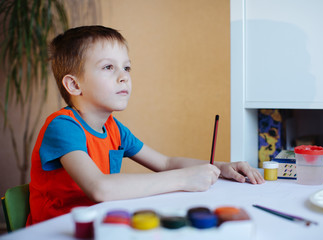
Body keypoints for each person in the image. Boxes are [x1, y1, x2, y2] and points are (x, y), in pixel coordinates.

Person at [26, 25, 264, 225]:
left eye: (126, 67)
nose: (124, 76)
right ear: (74, 85)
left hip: (101, 225)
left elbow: (166, 163)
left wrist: (221, 167)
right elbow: (100, 188)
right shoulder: (63, 126)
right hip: (60, 231)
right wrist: (183, 179)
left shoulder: (114, 128)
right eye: (109, 67)